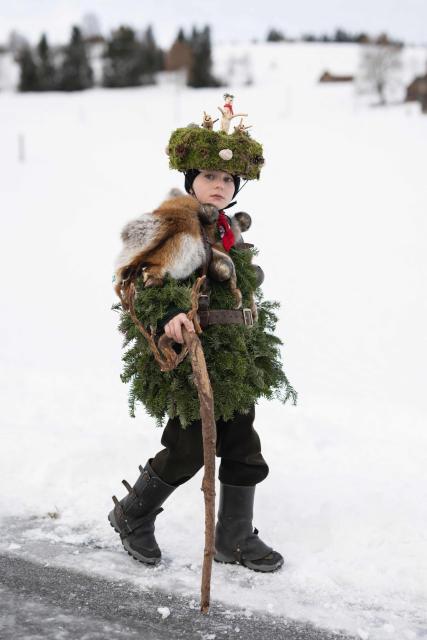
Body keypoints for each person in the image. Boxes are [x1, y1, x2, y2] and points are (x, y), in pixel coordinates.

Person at [109, 98, 297, 573]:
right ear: (192, 179)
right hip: (192, 354)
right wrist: (170, 313)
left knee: (242, 447)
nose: (220, 185)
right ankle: (132, 514)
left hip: (233, 359)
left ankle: (232, 537)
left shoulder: (229, 232)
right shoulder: (176, 222)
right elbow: (145, 282)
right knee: (190, 447)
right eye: (211, 176)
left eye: (228, 179)